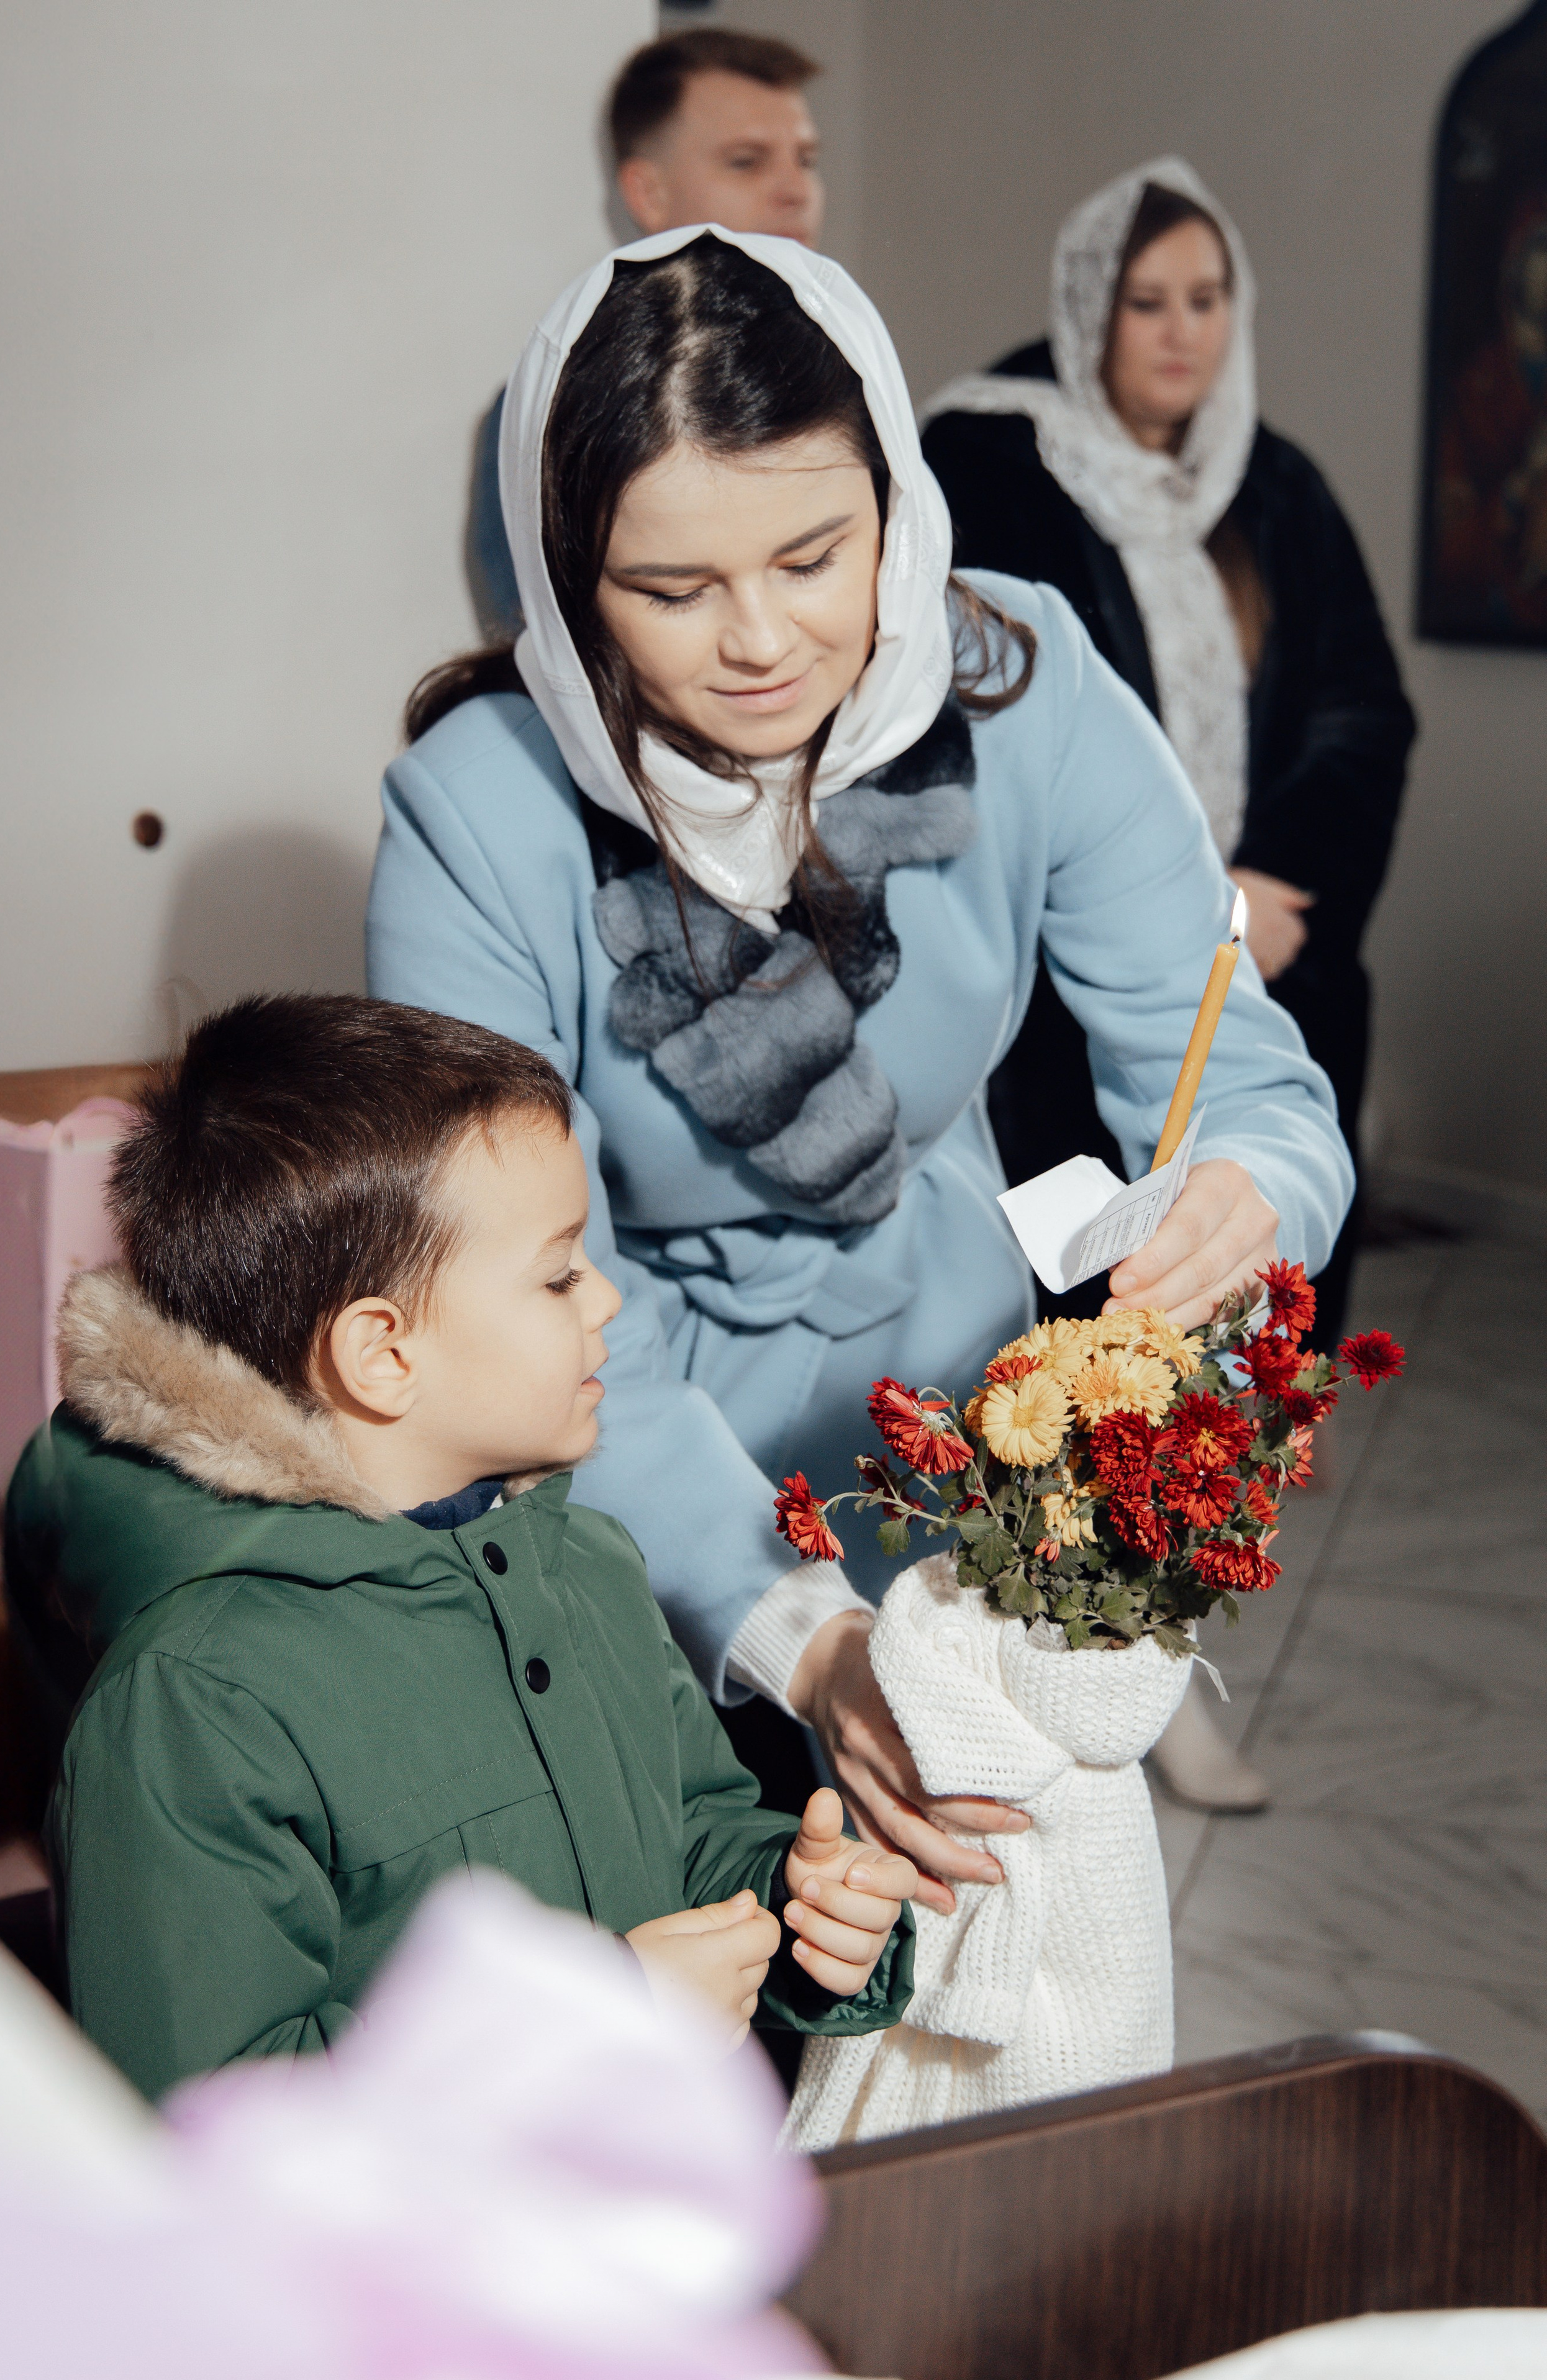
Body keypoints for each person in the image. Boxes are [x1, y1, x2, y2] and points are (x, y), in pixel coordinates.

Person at [366, 227, 1353, 1911]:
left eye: (817, 557)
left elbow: (1233, 1063)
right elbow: (510, 1301)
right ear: (559, 577)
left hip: (958, 1411)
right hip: (610, 1447)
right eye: (669, 591)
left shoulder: (1023, 683)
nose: (761, 641)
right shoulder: (480, 813)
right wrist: (799, 1635)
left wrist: (1249, 1185)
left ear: (896, 506)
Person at [4, 994, 914, 2099]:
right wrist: (591, 2020)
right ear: (383, 1354)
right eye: (560, 1272)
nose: (611, 1298)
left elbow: (694, 1831)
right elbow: (209, 2126)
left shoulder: (584, 1564)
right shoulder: (194, 1704)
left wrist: (793, 1902)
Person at [920, 158, 1415, 1813]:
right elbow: (971, 725)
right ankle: (1024, 1644)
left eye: (1209, 300)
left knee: (1220, 1339)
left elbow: (1362, 711)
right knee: (1069, 1332)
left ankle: (1164, 1649)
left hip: (1257, 965)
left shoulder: (1274, 483)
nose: (1183, 333)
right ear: (1087, 312)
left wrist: (1274, 893)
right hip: (1061, 1006)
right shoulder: (989, 460)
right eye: (1148, 301)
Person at [467, 27, 822, 641]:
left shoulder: (846, 376)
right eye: (747, 161)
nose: (796, 191)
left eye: (807, 160)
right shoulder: (556, 410)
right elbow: (551, 657)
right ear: (647, 194)